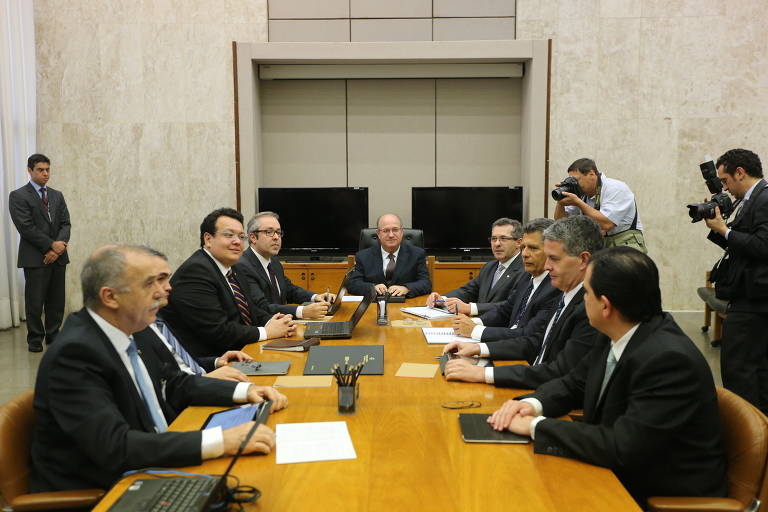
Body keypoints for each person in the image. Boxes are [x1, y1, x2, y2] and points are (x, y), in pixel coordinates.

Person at [29, 244, 289, 492]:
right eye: (149, 283)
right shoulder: (75, 354)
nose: (164, 291)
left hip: (152, 462)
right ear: (110, 296)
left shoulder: (134, 327)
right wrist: (224, 441)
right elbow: (116, 447)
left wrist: (246, 391)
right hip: (107, 488)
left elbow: (175, 383)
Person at [488, 247, 727, 507]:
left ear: (605, 305)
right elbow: (574, 383)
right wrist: (532, 404)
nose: (582, 300)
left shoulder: (668, 361)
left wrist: (536, 426)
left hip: (655, 494)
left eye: (587, 293)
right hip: (613, 471)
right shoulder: (616, 331)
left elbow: (622, 447)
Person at [443, 216, 603, 389]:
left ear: (584, 260)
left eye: (554, 258)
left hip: (543, 388)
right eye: (524, 247)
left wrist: (484, 372)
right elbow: (534, 341)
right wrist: (479, 349)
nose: (547, 266)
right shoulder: (562, 290)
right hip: (530, 376)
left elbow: (559, 372)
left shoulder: (589, 306)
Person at [160, 208, 295, 358]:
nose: (237, 241)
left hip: (242, 351)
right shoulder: (195, 272)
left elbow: (252, 309)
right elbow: (218, 331)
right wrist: (267, 332)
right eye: (229, 235)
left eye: (241, 236)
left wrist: (277, 322)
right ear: (208, 239)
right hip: (210, 362)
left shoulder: (234, 267)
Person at [703, 148, 768, 414]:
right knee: (755, 372)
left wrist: (725, 230)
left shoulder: (764, 199)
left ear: (740, 172)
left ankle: (748, 434)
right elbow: (744, 247)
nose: (725, 188)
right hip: (749, 296)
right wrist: (718, 229)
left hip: (755, 301)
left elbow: (764, 247)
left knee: (740, 372)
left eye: (726, 181)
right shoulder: (752, 200)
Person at [135, 248, 254, 383]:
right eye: (158, 280)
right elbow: (164, 387)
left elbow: (180, 364)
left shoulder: (156, 320)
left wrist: (216, 362)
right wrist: (205, 380)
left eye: (166, 279)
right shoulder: (136, 331)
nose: (169, 287)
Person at [452, 218, 560, 342]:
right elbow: (505, 310)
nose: (524, 254)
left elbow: (528, 335)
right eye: (524, 247)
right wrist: (473, 322)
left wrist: (474, 330)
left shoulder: (554, 287)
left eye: (533, 248)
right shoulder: (527, 276)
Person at [8, 154, 71, 352]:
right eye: (40, 170)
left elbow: (65, 223)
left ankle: (53, 336)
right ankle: (35, 339)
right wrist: (52, 246)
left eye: (47, 170)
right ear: (30, 170)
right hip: (35, 257)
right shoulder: (18, 196)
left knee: (56, 301)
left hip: (58, 257)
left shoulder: (56, 195)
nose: (45, 173)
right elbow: (26, 228)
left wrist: (58, 248)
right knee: (35, 301)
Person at [236, 211, 332, 320]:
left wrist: (315, 297)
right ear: (253, 237)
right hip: (265, 329)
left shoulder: (274, 261)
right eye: (269, 232)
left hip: (283, 325)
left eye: (278, 232)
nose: (276, 237)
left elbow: (289, 290)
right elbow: (262, 307)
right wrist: (302, 311)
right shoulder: (242, 266)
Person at [426, 218, 524, 316]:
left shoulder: (526, 270)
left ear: (518, 242)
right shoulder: (489, 267)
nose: (497, 244)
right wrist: (442, 299)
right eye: (494, 239)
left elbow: (512, 305)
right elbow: (468, 291)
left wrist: (470, 308)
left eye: (503, 238)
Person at [554, 158, 646, 253]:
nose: (574, 184)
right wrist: (560, 201)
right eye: (571, 180)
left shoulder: (616, 188)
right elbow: (561, 224)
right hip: (599, 248)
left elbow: (606, 224)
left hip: (624, 246)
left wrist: (578, 203)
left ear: (591, 174)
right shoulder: (580, 194)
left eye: (576, 180)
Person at [347, 213, 431, 298]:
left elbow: (426, 283)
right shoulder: (363, 256)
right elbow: (353, 284)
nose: (391, 235)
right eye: (386, 230)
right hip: (373, 306)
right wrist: (372, 287)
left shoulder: (417, 254)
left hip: (406, 305)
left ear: (401, 232)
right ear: (378, 234)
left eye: (395, 230)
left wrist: (407, 288)